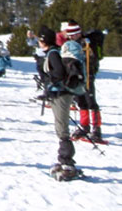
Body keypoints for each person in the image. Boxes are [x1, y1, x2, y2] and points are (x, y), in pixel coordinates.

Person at [37, 26, 82, 180]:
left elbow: (58, 74)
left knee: (62, 128)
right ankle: (63, 159)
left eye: (40, 39)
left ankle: (67, 161)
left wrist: (50, 85)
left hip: (61, 93)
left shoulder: (53, 54)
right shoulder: (52, 52)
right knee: (60, 126)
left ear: (44, 40)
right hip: (59, 93)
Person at [63, 21, 105, 143]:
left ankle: (96, 129)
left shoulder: (87, 43)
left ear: (79, 33)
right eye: (69, 35)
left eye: (74, 34)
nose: (71, 37)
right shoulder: (70, 44)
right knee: (80, 101)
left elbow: (92, 59)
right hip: (76, 75)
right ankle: (84, 126)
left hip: (87, 75)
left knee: (91, 101)